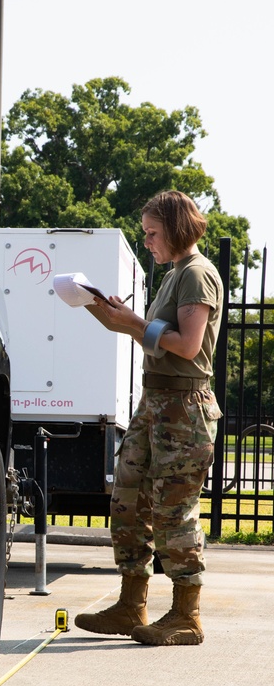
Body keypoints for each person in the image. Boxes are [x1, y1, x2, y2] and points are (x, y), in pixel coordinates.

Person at [75, 190, 224, 645]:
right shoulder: (175, 274)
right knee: (128, 502)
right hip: (156, 404)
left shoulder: (197, 274)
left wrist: (134, 323)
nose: (147, 241)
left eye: (152, 232)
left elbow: (188, 345)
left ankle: (186, 616)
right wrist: (110, 316)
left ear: (176, 228)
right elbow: (157, 338)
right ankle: (130, 605)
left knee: (172, 511)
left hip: (184, 409)